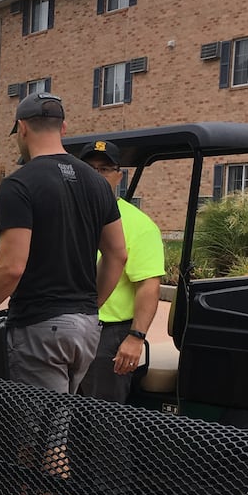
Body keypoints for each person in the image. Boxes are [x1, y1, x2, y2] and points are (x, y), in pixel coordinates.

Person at [0, 92, 126, 394]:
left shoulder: (20, 184)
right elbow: (117, 254)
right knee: (57, 424)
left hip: (40, 327)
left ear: (22, 128)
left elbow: (11, 267)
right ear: (63, 129)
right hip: (86, 328)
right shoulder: (97, 183)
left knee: (39, 435)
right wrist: (90, 306)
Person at [76, 141, 166, 402]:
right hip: (61, 328)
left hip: (108, 336)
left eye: (104, 169)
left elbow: (148, 286)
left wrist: (136, 338)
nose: (96, 175)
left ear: (118, 175)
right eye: (89, 168)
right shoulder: (64, 214)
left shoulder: (138, 225)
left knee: (104, 421)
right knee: (56, 416)